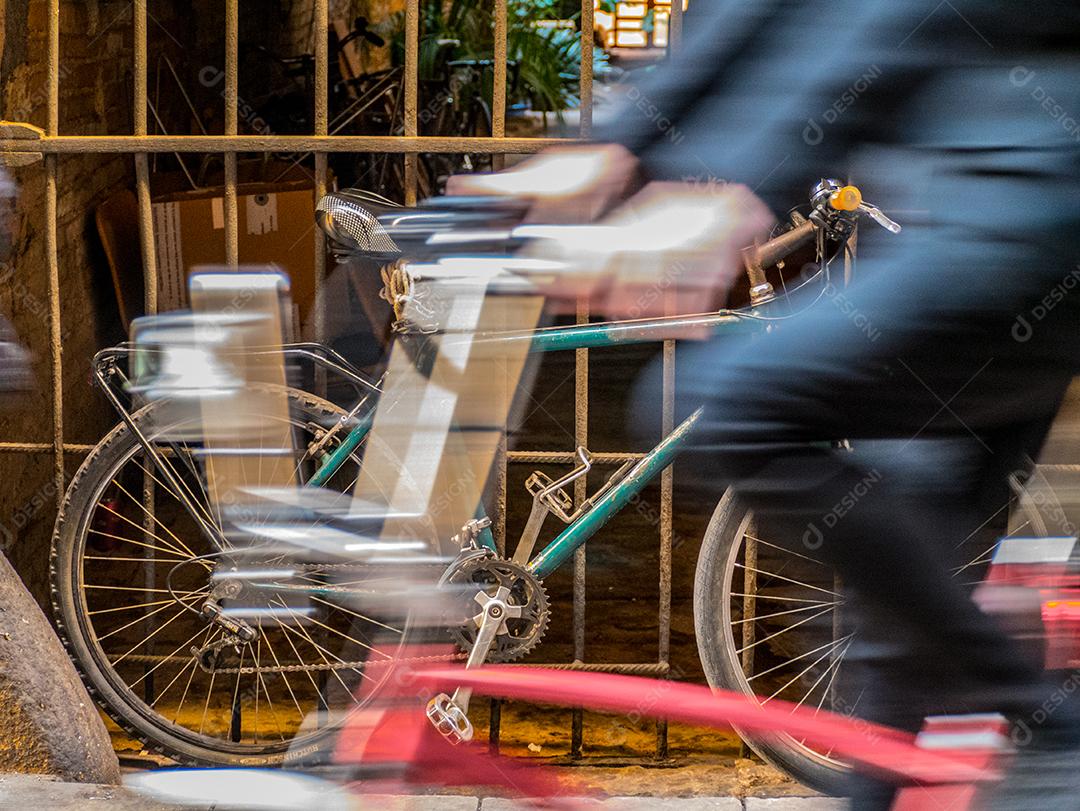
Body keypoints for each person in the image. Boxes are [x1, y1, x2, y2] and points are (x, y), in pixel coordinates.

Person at [451, 1, 1080, 807]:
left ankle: (1044, 722)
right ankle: (1011, 722)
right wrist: (607, 151)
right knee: (896, 618)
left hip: (1022, 201)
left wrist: (733, 189)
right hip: (968, 201)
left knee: (730, 399)